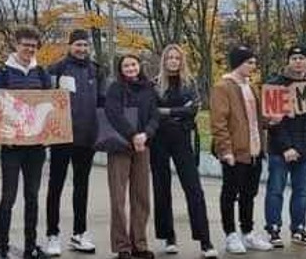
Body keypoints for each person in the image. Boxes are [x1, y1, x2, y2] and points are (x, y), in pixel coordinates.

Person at [0, 25, 53, 259]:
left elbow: (49, 105)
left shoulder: (42, 73)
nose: (29, 49)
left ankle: (30, 247)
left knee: (32, 197)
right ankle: (2, 248)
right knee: (8, 197)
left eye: (33, 46)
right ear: (17, 45)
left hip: (35, 147)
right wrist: (4, 134)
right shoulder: (3, 73)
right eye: (25, 45)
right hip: (12, 147)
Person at [150, 44, 215, 257]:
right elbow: (152, 112)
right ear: (164, 60)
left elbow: (193, 109)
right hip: (159, 140)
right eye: (170, 57)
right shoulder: (155, 84)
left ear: (182, 61)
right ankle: (168, 237)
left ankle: (205, 241)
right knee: (161, 188)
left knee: (194, 189)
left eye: (177, 58)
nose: (173, 61)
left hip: (182, 138)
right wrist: (179, 112)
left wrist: (168, 111)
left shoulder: (190, 83)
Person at [210, 45, 273, 255]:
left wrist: (270, 120)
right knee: (230, 193)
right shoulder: (223, 87)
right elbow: (218, 122)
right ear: (239, 63)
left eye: (254, 62)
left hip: (254, 151)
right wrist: (225, 150)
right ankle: (230, 235)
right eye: (250, 62)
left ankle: (248, 233)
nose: (254, 66)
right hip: (235, 152)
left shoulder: (251, 87)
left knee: (249, 194)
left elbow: (256, 119)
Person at [44, 29, 100, 256]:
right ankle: (52, 234)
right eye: (78, 45)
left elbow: (103, 102)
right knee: (55, 186)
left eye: (85, 45)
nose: (82, 49)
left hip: (87, 139)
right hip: (62, 138)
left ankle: (79, 233)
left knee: (81, 187)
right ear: (70, 46)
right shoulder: (56, 69)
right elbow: (45, 100)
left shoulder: (96, 70)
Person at [263, 45, 306, 247]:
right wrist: (286, 147)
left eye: (302, 58)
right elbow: (273, 123)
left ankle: (299, 229)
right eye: (294, 58)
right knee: (275, 190)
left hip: (305, 149)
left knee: (301, 192)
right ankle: (273, 229)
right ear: (288, 61)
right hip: (280, 150)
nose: (298, 61)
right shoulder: (275, 85)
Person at [104, 53, 159, 259]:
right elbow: (113, 114)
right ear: (121, 69)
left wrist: (146, 134)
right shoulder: (115, 88)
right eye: (126, 66)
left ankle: (139, 244)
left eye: (133, 64)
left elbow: (155, 115)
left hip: (143, 146)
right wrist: (133, 134)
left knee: (141, 196)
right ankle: (122, 246)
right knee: (118, 198)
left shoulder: (149, 88)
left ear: (139, 66)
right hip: (120, 146)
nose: (130, 68)